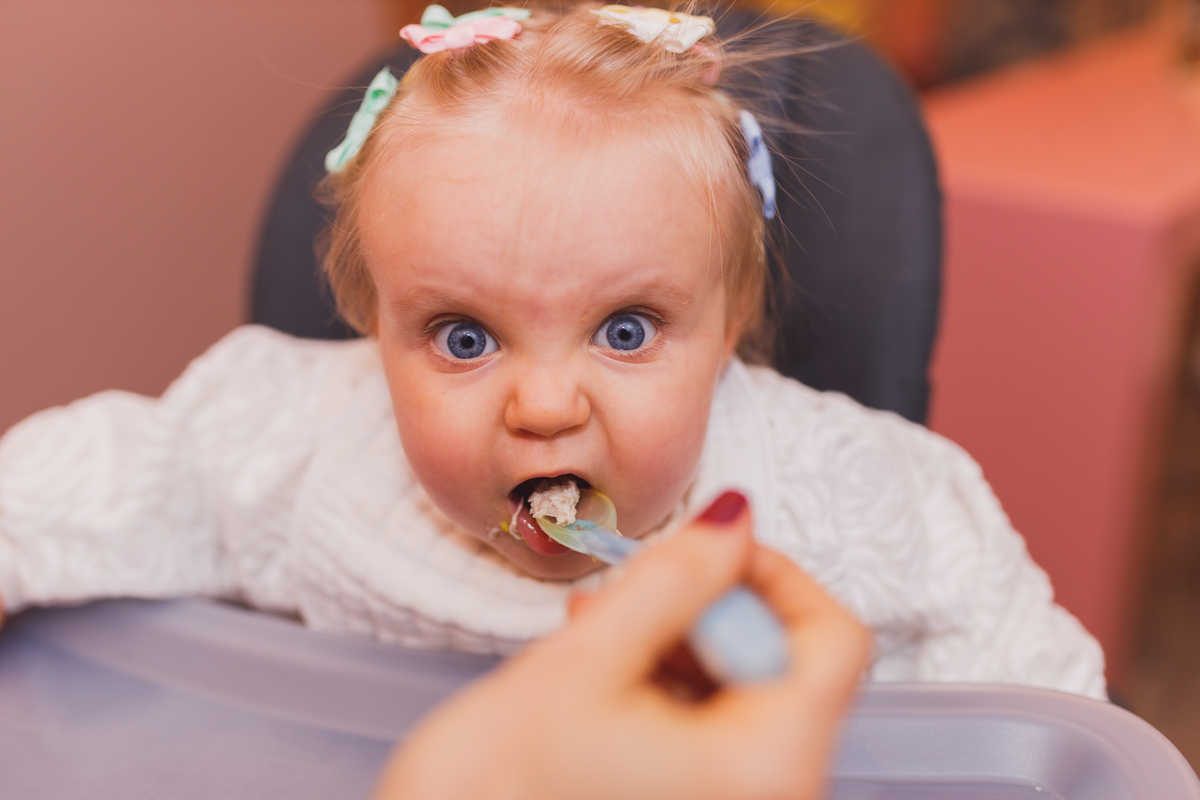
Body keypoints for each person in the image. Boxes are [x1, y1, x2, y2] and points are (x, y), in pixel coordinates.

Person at [0, 2, 1105, 705]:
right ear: (373, 326)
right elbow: (114, 476)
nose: (542, 405)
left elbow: (1033, 697)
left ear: (728, 323)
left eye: (625, 330)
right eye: (464, 337)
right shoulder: (306, 440)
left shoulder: (842, 495)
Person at [373, 491, 872, 800]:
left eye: (626, 348)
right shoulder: (347, 494)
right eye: (466, 351)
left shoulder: (824, 513)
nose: (547, 408)